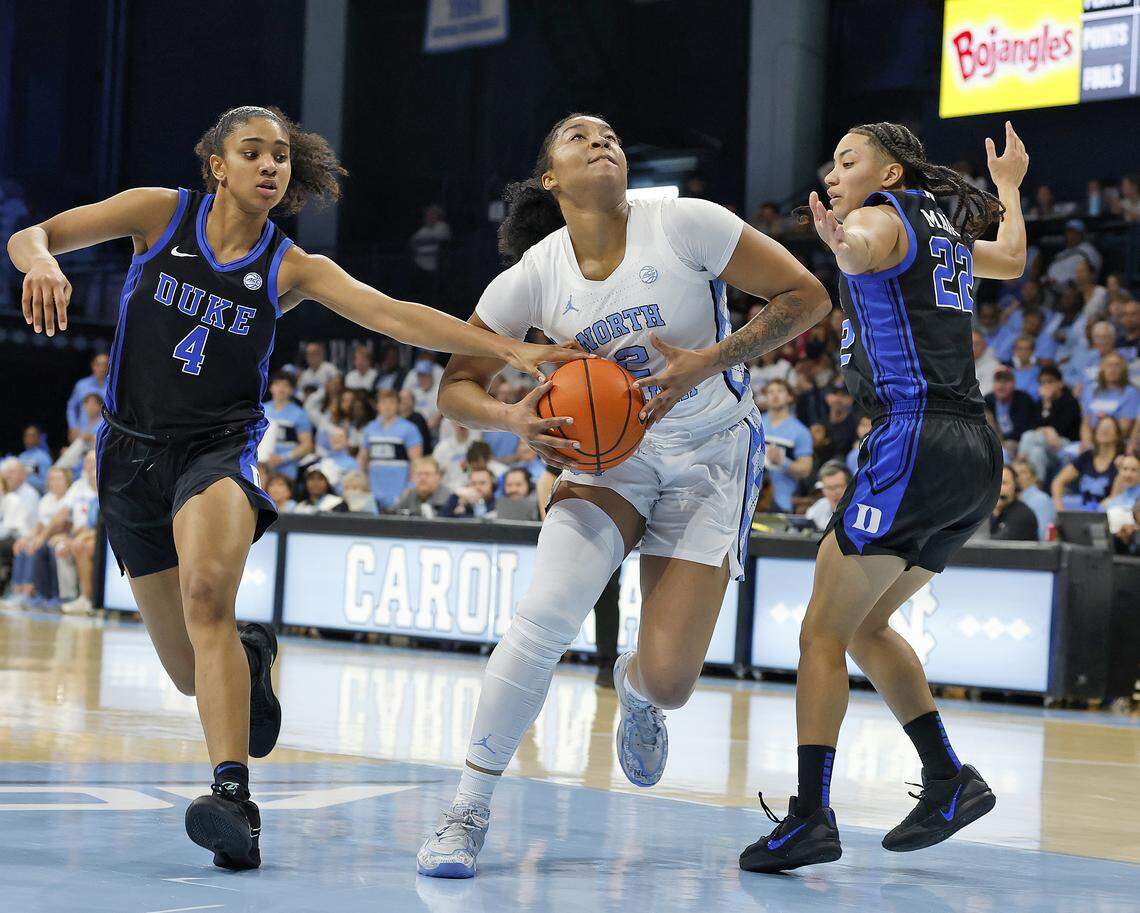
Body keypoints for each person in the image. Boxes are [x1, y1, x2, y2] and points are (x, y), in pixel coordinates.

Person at [6, 104, 575, 871]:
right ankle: (251, 653)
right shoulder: (158, 214)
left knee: (208, 592)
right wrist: (40, 259)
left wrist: (509, 346)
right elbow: (31, 234)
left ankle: (232, 797)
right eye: (253, 152)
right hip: (129, 461)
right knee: (187, 670)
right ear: (218, 164)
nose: (271, 166)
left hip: (216, 451)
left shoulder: (288, 265)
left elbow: (395, 315)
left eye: (280, 155)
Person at [416, 112, 830, 878]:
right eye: (577, 137)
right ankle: (466, 808)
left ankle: (635, 687)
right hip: (608, 459)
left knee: (671, 680)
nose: (600, 140)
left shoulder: (687, 224)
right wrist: (515, 419)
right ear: (551, 179)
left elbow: (806, 298)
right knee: (542, 615)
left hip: (711, 448)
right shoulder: (533, 275)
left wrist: (705, 361)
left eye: (608, 134)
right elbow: (455, 385)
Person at [740, 121, 1027, 874]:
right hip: (975, 452)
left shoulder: (878, 220)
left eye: (848, 160)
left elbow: (865, 244)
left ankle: (810, 816)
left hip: (914, 437)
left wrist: (845, 244)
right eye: (830, 164)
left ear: (891, 174)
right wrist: (1010, 190)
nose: (833, 174)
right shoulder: (947, 233)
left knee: (818, 633)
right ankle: (948, 779)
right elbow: (1015, 257)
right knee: (868, 628)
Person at [1017, 365, 1082, 481]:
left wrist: (1047, 429)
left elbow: (1062, 429)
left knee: (1027, 437)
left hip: (1066, 445)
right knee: (1037, 453)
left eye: (1050, 381)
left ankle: (1018, 467)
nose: (1046, 385)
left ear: (1060, 383)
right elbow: (1032, 426)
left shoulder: (1070, 402)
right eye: (1042, 382)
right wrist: (1046, 405)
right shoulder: (1040, 403)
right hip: (1045, 445)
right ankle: (1037, 485)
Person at [360, 389, 423, 509]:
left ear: (398, 405)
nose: (387, 406)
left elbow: (416, 462)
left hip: (399, 491)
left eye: (391, 403)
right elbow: (362, 459)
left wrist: (409, 487)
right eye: (383, 403)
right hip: (373, 491)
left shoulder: (410, 429)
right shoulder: (369, 428)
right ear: (377, 405)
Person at [759, 378, 814, 512]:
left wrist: (782, 462)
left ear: (790, 397)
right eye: (770, 392)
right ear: (766, 397)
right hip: (751, 497)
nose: (775, 395)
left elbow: (806, 469)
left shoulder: (800, 431)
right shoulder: (756, 423)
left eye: (780, 391)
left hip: (782, 501)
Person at [1052, 416, 1123, 511]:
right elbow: (1058, 482)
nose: (1104, 430)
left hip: (1110, 513)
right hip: (1085, 515)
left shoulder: (1122, 460)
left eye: (1108, 427)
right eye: (1100, 427)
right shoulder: (1087, 457)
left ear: (1117, 435)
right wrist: (1060, 509)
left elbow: (1118, 495)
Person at [262, 372, 314, 481]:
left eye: (285, 385)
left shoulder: (300, 414)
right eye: (277, 384)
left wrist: (283, 458)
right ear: (271, 387)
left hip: (286, 470)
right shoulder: (261, 410)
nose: (281, 388)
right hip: (261, 466)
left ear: (292, 390)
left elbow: (307, 445)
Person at [984, 366, 1038, 456]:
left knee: (1005, 450)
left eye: (1006, 381)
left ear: (1014, 384)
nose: (1001, 386)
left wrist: (1002, 441)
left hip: (1018, 442)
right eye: (998, 381)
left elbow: (1023, 429)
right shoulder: (987, 400)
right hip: (995, 440)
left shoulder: (1024, 399)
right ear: (993, 384)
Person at [986, 466, 1038, 541]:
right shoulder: (986, 514)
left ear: (1016, 486)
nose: (996, 488)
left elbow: (995, 547)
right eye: (993, 482)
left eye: (1003, 483)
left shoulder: (1023, 516)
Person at [1010, 459, 1055, 541]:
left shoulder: (1041, 500)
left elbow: (1043, 536)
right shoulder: (1010, 500)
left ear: (1034, 477)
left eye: (1023, 472)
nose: (1017, 476)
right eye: (1014, 473)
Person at [65, 352, 109, 432]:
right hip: (81, 433)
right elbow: (72, 407)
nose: (102, 368)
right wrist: (73, 427)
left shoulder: (113, 389)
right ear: (93, 366)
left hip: (104, 435)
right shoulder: (81, 385)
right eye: (98, 364)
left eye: (105, 365)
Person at [805, 460, 851, 531]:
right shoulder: (819, 506)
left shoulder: (858, 510)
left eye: (839, 486)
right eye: (829, 488)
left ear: (850, 487)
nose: (835, 492)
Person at [17, 425, 53, 493]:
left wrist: (24, 480)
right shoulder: (21, 457)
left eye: (32, 435)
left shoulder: (43, 457)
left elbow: (46, 483)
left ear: (38, 438)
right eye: (26, 435)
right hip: (19, 494)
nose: (28, 438)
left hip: (36, 496)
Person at [971, 331, 1001, 397]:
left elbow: (989, 391)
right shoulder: (961, 363)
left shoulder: (994, 365)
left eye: (977, 344)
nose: (973, 348)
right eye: (971, 344)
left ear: (985, 345)